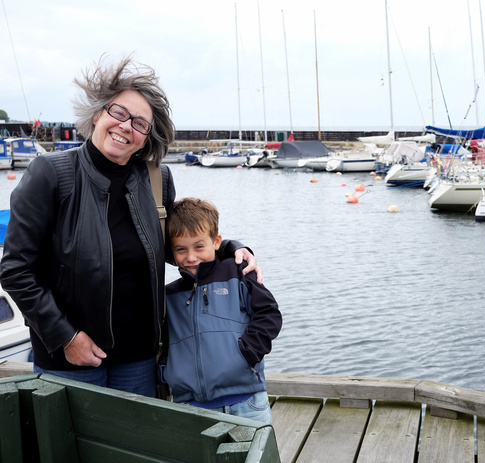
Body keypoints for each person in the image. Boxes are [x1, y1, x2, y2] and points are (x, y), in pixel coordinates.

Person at [0, 56, 260, 397]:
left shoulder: (157, 178)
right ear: (97, 115)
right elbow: (18, 271)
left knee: (132, 449)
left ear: (146, 138)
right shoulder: (52, 174)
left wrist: (231, 248)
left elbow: (171, 246)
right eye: (119, 113)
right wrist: (65, 337)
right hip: (73, 359)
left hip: (139, 357)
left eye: (140, 123)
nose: (126, 127)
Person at [162, 198, 281, 424]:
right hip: (191, 408)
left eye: (199, 246)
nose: (190, 257)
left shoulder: (238, 274)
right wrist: (166, 369)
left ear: (216, 241)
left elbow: (269, 314)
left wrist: (248, 353)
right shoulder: (169, 295)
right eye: (181, 249)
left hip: (247, 402)